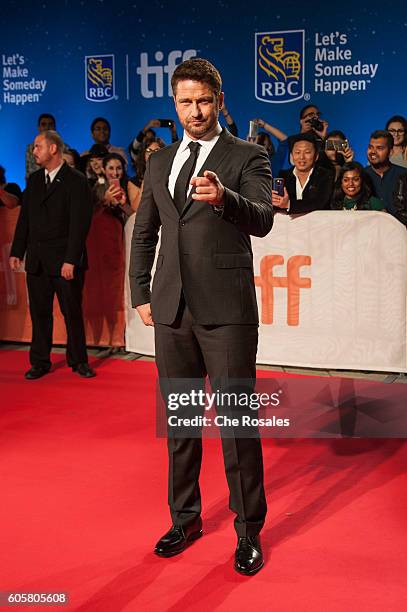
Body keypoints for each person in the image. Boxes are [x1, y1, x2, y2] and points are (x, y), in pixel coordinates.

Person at [129, 57, 273, 575]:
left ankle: (248, 530)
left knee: (236, 424)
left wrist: (224, 197)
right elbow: (145, 230)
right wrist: (139, 292)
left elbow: (262, 219)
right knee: (182, 422)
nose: (195, 110)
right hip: (170, 309)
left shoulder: (248, 155)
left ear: (220, 101)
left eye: (204, 101)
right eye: (186, 101)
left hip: (227, 312)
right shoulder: (159, 160)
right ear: (175, 104)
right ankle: (185, 518)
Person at [9, 130, 95, 380]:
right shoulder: (34, 180)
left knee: (72, 312)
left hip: (65, 261)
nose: (34, 151)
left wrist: (71, 259)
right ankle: (40, 362)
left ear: (53, 149)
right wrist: (17, 251)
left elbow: (80, 224)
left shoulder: (76, 180)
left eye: (37, 146)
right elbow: (25, 219)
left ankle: (79, 360)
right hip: (37, 260)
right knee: (39, 314)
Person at [272, 133, 334, 214]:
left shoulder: (325, 175)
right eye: (297, 152)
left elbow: (319, 202)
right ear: (291, 156)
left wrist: (289, 204)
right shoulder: (283, 176)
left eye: (307, 152)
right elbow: (277, 204)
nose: (302, 157)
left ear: (316, 156)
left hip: (320, 225)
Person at [364, 130, 407, 215]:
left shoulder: (404, 175)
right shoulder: (361, 175)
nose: (373, 152)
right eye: (370, 147)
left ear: (390, 152)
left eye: (379, 148)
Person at [93, 153, 133, 221]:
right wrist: (105, 201)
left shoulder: (130, 186)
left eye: (119, 168)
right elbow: (94, 217)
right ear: (103, 169)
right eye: (111, 168)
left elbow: (136, 217)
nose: (115, 173)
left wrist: (123, 204)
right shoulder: (97, 188)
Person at [129, 138, 165, 213]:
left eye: (156, 150)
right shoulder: (134, 182)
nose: (152, 154)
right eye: (148, 151)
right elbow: (135, 209)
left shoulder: (169, 176)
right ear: (143, 155)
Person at [25, 113, 56, 180]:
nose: (47, 127)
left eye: (50, 124)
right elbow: (29, 174)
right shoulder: (30, 148)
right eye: (43, 124)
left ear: (54, 127)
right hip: (37, 186)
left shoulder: (64, 148)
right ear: (39, 128)